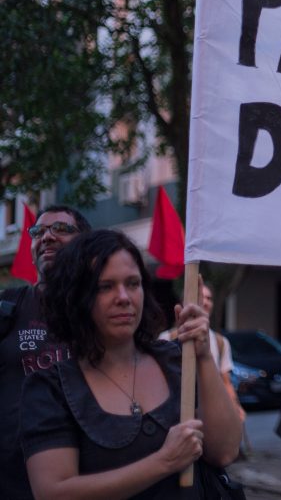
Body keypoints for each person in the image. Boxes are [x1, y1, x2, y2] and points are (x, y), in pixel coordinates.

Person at [18, 229, 243, 498]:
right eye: (105, 286)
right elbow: (53, 492)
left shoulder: (178, 360)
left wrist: (204, 355)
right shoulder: (49, 389)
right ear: (75, 297)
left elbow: (225, 451)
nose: (124, 297)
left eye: (133, 283)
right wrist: (164, 462)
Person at [0, 204, 90, 500]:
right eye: (38, 231)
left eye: (61, 229)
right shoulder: (7, 308)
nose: (47, 237)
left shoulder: (103, 312)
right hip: (12, 482)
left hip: (88, 478)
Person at [160, 282, 245, 423]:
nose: (205, 302)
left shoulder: (221, 342)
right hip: (174, 416)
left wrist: (235, 407)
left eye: (209, 298)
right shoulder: (166, 338)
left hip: (211, 418)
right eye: (200, 297)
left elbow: (226, 382)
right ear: (185, 302)